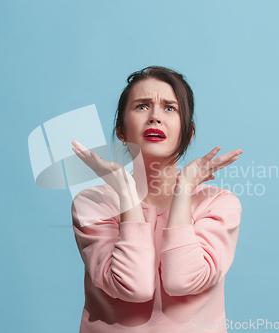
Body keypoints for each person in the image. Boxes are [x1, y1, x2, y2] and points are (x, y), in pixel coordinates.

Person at [70, 66, 243, 333]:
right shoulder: (94, 204)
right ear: (120, 130)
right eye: (142, 106)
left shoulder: (219, 204)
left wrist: (184, 189)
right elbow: (133, 287)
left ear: (189, 132)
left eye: (170, 108)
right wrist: (126, 192)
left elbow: (182, 281)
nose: (155, 118)